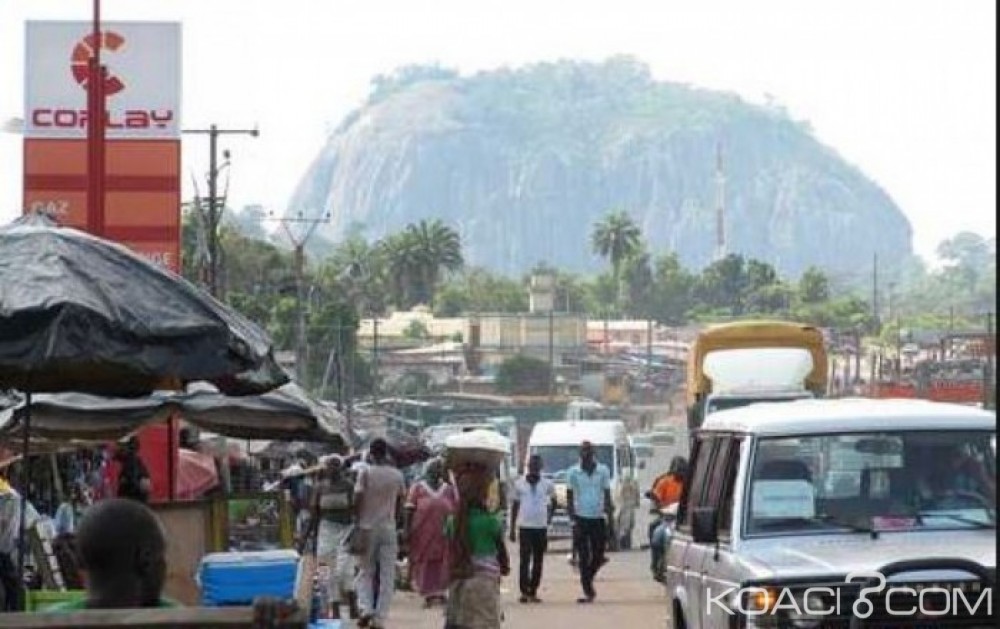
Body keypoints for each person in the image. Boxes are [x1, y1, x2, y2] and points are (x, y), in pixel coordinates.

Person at [49, 498, 176, 609]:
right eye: (162, 556)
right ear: (145, 561)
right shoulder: (182, 621)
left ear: (79, 562)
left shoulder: (49, 621)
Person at [444, 461, 510, 629]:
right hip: (484, 585)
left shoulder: (453, 522)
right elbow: (504, 561)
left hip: (458, 583)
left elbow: (449, 553)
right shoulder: (491, 522)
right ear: (483, 495)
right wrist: (504, 567)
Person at [353, 437, 406, 629]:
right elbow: (401, 502)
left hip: (367, 528)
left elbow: (357, 498)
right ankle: (380, 619)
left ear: (371, 453)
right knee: (387, 575)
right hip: (389, 528)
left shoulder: (364, 473)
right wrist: (397, 522)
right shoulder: (397, 475)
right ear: (386, 453)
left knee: (365, 572)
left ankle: (366, 608)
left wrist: (357, 522)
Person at [306, 455, 358, 620]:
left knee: (345, 570)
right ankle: (333, 607)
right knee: (325, 571)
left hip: (346, 530)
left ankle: (353, 603)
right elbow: (314, 514)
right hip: (326, 530)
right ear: (325, 468)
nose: (332, 469)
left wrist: (357, 532)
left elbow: (356, 511)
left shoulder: (349, 486)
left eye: (336, 466)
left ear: (341, 468)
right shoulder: (319, 487)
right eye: (330, 466)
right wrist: (307, 537)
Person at [404, 458, 456, 607]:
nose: (437, 472)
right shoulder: (418, 488)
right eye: (435, 469)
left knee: (441, 560)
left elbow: (455, 509)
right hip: (422, 532)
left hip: (443, 532)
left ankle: (439, 592)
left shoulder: (448, 489)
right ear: (428, 470)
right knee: (425, 561)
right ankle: (427, 593)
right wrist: (407, 530)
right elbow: (409, 509)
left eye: (440, 469)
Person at [566, 440, 613, 604]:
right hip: (581, 518)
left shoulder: (603, 471)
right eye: (583, 451)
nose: (585, 454)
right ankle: (588, 589)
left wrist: (610, 520)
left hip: (598, 517)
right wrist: (572, 518)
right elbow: (570, 497)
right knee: (584, 556)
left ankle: (587, 578)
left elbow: (607, 495)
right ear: (580, 453)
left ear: (593, 453)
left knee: (599, 555)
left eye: (588, 451)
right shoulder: (573, 472)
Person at [509, 454, 555, 604]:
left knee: (538, 560)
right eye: (532, 465)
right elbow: (515, 506)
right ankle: (524, 591)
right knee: (524, 560)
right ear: (528, 466)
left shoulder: (547, 484)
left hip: (540, 527)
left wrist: (549, 517)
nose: (534, 468)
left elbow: (553, 501)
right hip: (525, 526)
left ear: (540, 467)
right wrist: (512, 528)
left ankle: (533, 590)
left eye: (537, 465)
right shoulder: (519, 484)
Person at [647, 456, 687, 579]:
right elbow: (656, 498)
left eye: (682, 470)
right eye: (677, 469)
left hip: (683, 520)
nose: (679, 472)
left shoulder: (689, 483)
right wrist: (657, 507)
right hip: (667, 518)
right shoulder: (664, 482)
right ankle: (656, 563)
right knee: (656, 535)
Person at [115, 437, 151, 503]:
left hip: (134, 498)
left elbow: (133, 481)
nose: (117, 449)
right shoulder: (136, 461)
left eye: (121, 447)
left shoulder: (131, 462)